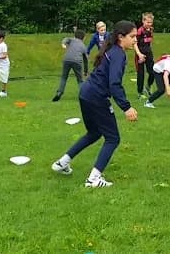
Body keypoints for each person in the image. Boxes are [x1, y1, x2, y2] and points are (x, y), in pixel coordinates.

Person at [51, 21, 139, 188]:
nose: (135, 40)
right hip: (96, 97)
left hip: (85, 93)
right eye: (132, 37)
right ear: (121, 37)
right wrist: (126, 107)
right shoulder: (118, 54)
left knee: (94, 133)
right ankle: (93, 179)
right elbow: (114, 84)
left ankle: (62, 163)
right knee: (113, 138)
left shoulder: (112, 50)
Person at [53, 30, 89, 101]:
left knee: (64, 77)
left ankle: (59, 92)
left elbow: (65, 39)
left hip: (66, 60)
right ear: (84, 38)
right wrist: (85, 71)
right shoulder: (83, 46)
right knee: (80, 80)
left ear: (74, 36)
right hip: (77, 62)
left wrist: (63, 44)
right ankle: (84, 95)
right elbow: (86, 60)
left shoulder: (71, 40)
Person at [134, 13, 155, 99]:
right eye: (147, 22)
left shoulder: (151, 30)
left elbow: (149, 42)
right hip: (140, 54)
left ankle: (148, 87)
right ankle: (140, 92)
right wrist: (139, 54)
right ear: (143, 21)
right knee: (141, 73)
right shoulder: (140, 31)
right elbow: (135, 43)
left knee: (153, 72)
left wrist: (150, 52)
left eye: (151, 22)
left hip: (148, 53)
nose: (149, 24)